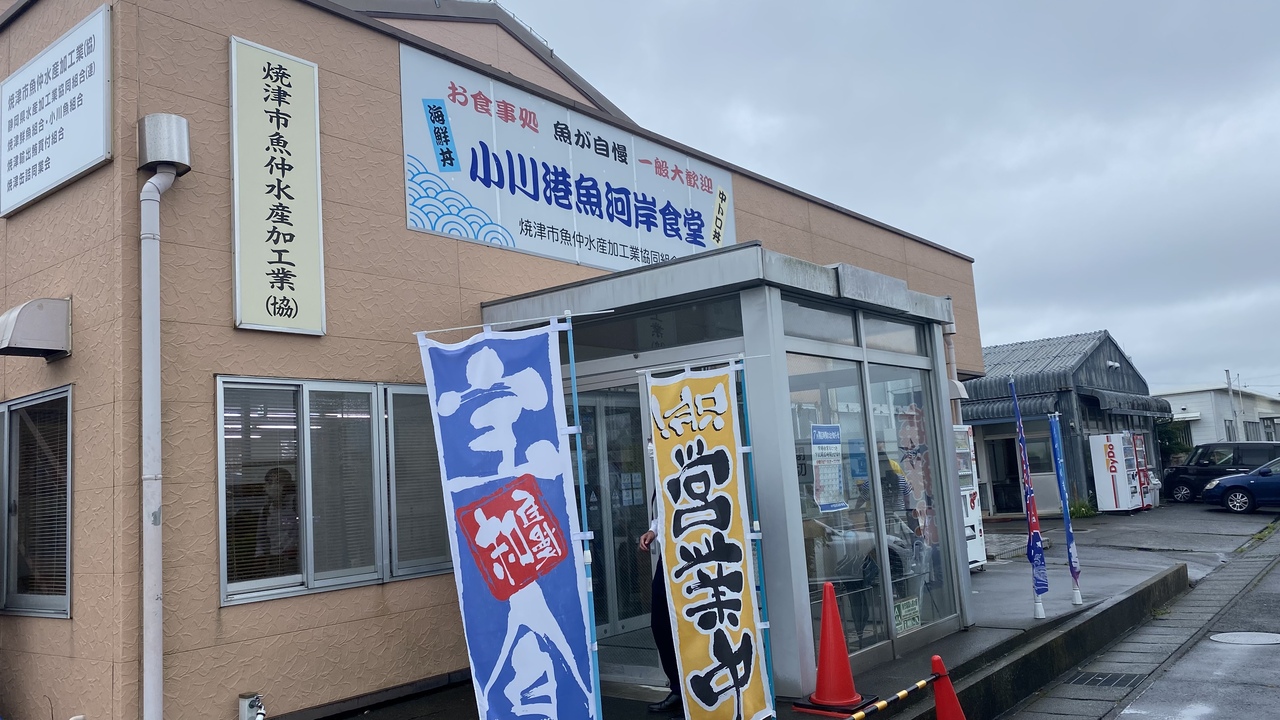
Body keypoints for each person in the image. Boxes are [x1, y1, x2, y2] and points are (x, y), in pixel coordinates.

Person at [639, 523, 682, 715]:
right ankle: (679, 689)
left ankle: (696, 697)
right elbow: (665, 511)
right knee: (660, 624)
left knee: (692, 625)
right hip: (669, 555)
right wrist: (653, 530)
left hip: (696, 551)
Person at [256, 467, 300, 577]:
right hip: (274, 560)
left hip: (294, 561)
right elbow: (261, 538)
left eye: (277, 482)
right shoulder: (266, 510)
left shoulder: (297, 504)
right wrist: (260, 557)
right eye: (269, 482)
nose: (273, 486)